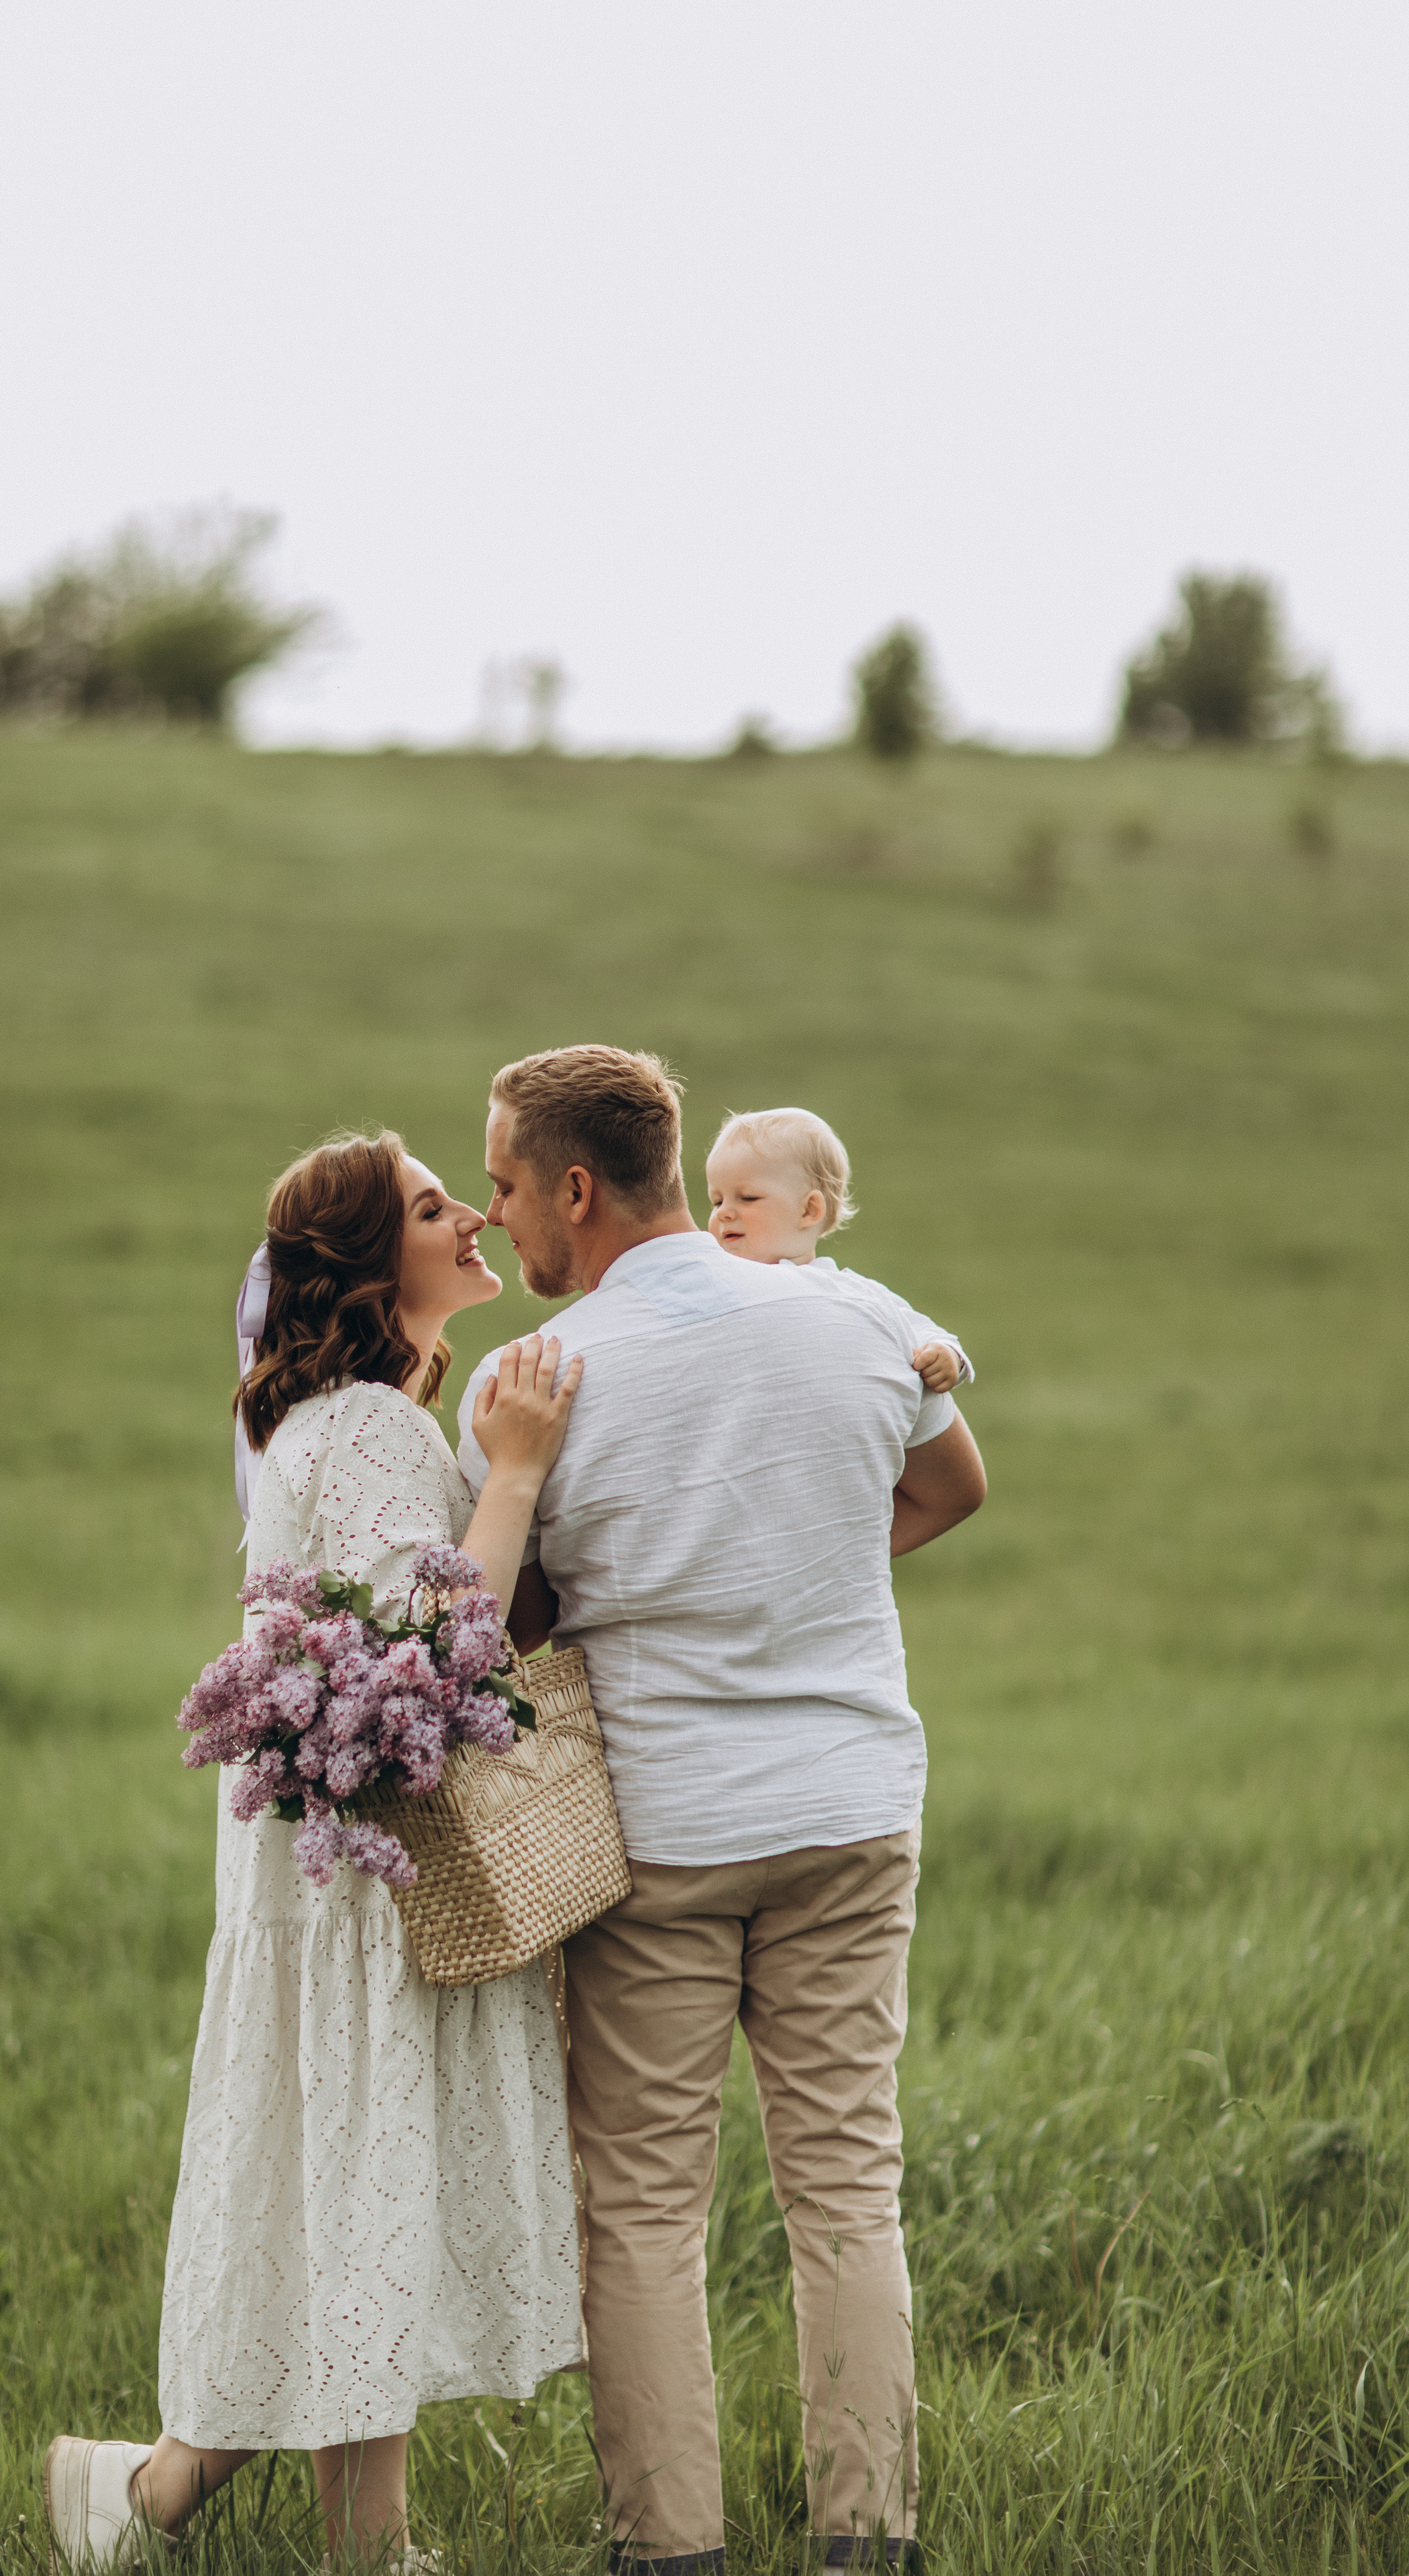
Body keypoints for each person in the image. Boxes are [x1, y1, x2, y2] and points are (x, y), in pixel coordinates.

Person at [457, 1049, 986, 2576]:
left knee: (637, 2201)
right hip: (849, 1805)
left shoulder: (535, 1379)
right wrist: (801, 1581)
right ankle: (865, 2537)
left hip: (669, 1837)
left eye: (503, 1182)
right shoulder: (850, 1315)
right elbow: (952, 1486)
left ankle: (668, 2550)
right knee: (844, 2180)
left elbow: (508, 1616)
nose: (499, 1217)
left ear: (574, 1185)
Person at [44, 1130, 586, 2571]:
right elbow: (442, 1639)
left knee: (354, 2180)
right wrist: (519, 1466)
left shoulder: (335, 1423)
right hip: (361, 1878)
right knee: (364, 2171)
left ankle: (183, 2507)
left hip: (330, 1861)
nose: (469, 1214)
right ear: (365, 1266)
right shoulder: (362, 1427)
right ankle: (311, 2534)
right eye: (429, 1206)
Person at [704, 1105, 974, 1395]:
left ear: (809, 1210)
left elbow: (923, 1332)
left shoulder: (851, 1293)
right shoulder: (713, 1285)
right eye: (717, 1201)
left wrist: (945, 1356)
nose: (724, 1213)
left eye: (748, 1198)